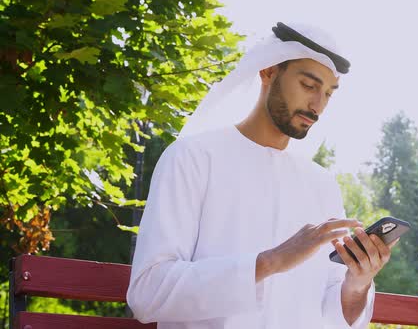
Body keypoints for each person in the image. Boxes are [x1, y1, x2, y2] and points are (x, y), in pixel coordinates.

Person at [127, 22, 398, 329]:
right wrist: (269, 262)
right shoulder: (192, 158)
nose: (318, 105)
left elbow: (336, 314)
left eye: (328, 94)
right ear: (268, 71)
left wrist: (358, 283)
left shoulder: (322, 184)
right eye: (309, 86)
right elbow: (147, 294)